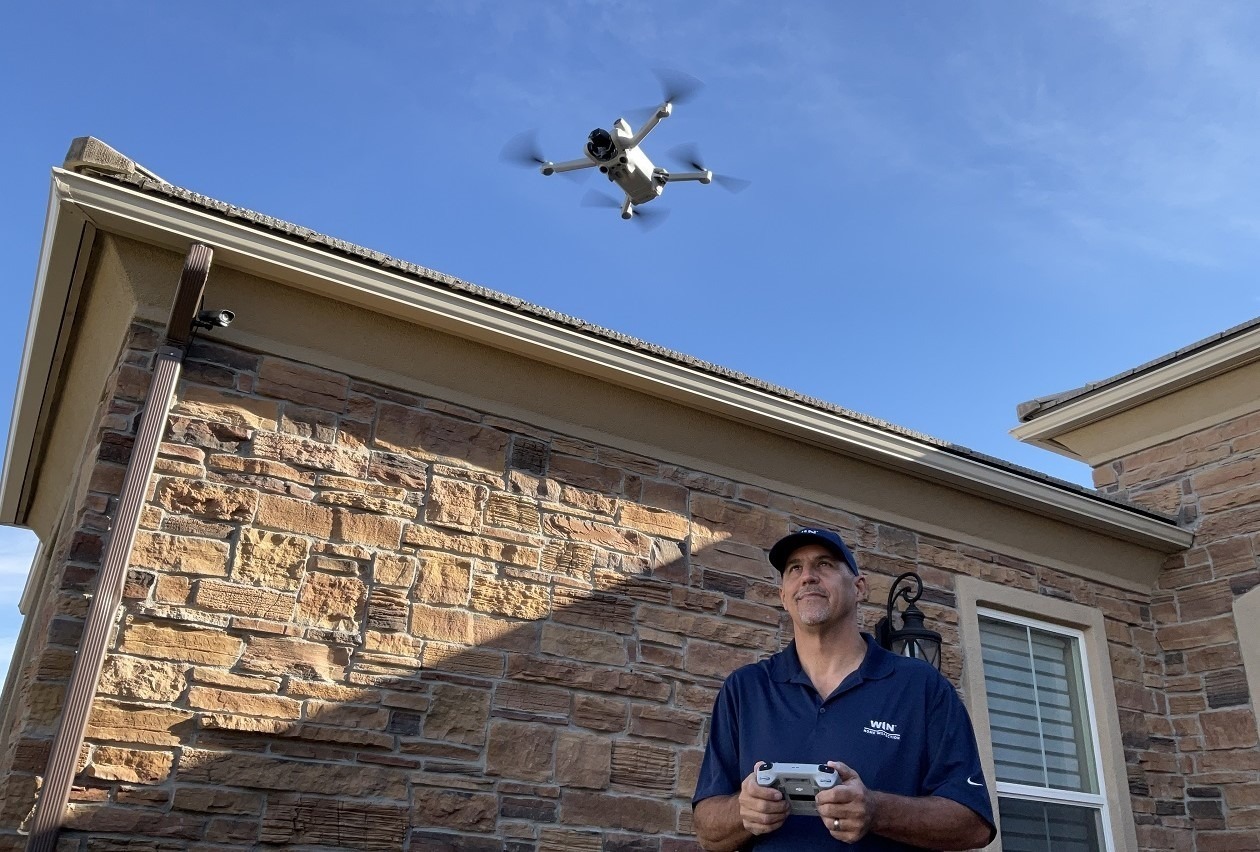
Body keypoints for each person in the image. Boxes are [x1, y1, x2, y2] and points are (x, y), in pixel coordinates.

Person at [692, 528, 997, 851]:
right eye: (794, 568)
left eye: (824, 564)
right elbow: (706, 830)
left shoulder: (920, 687)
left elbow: (973, 824)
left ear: (859, 587)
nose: (808, 576)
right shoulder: (745, 690)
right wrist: (743, 811)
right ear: (783, 596)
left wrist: (878, 810)